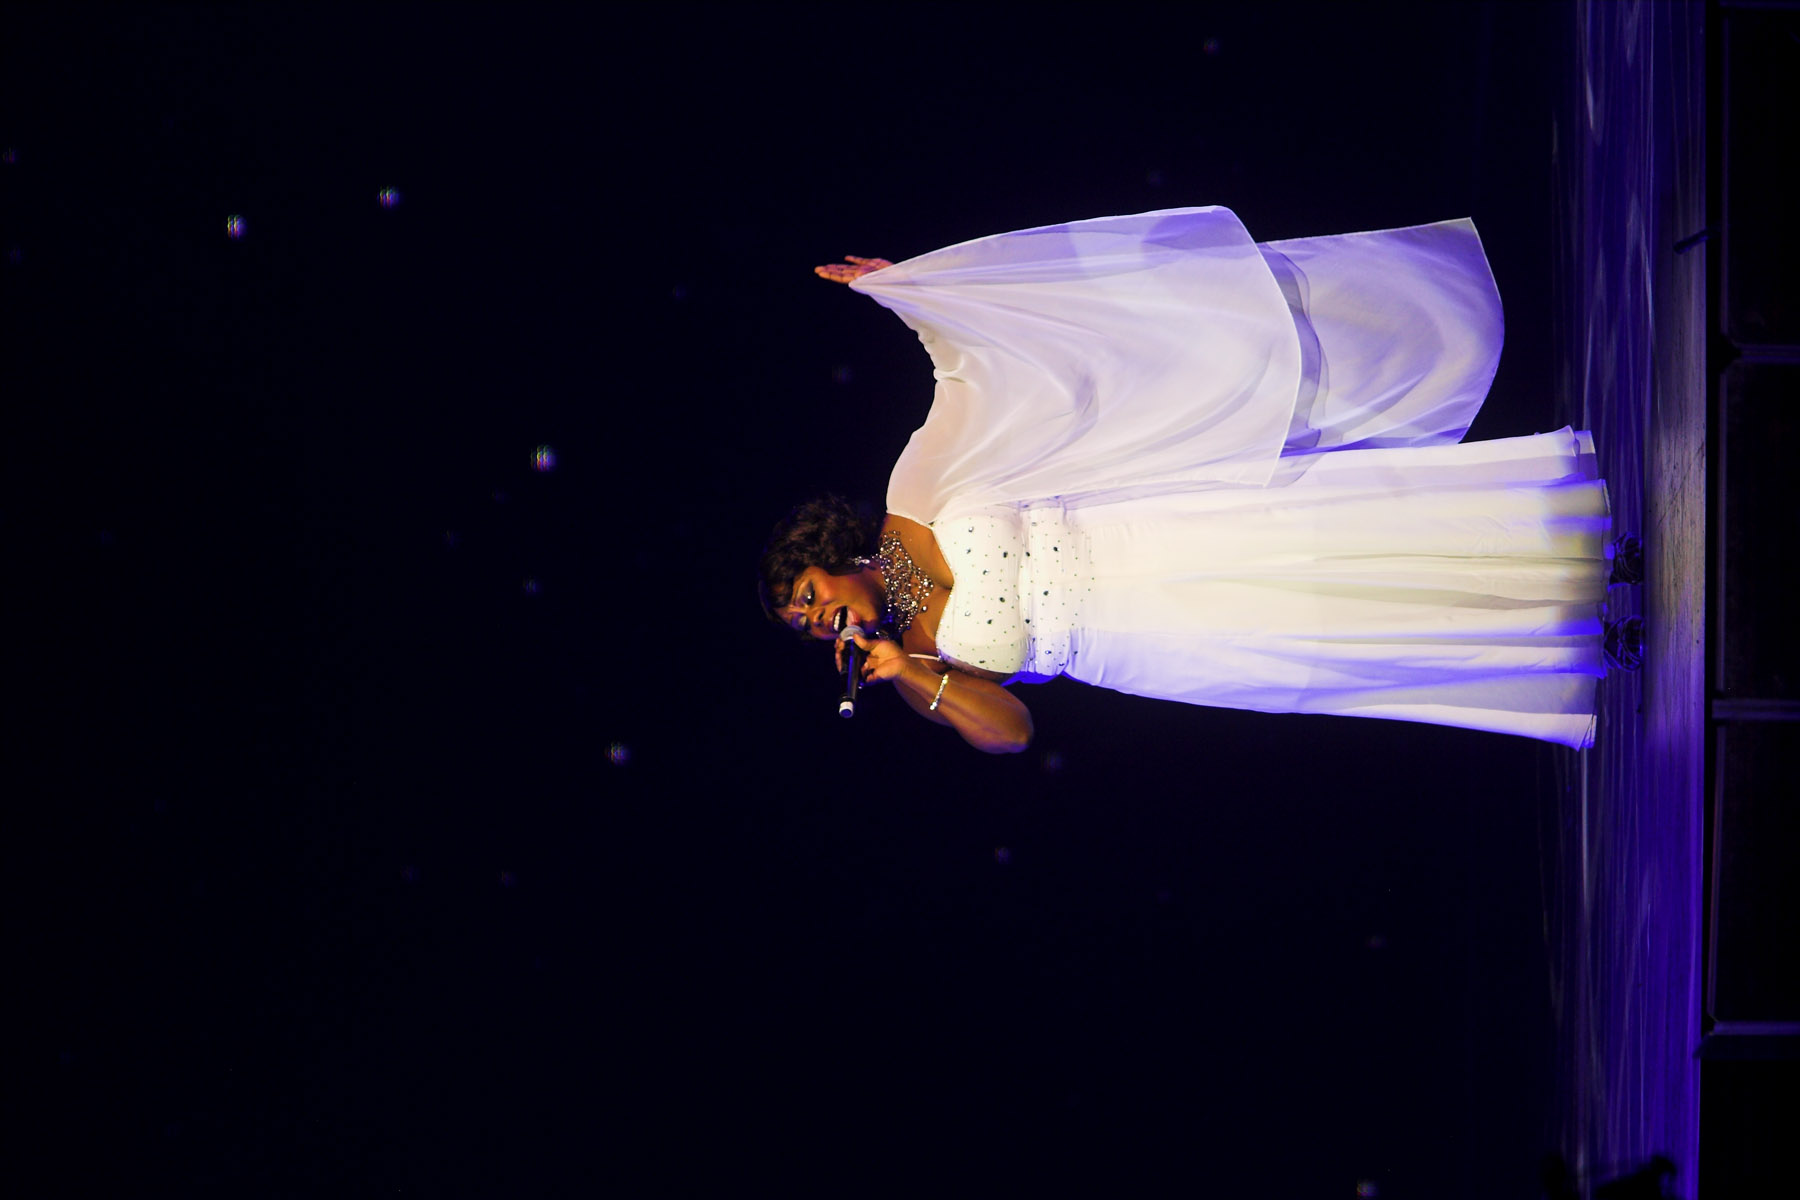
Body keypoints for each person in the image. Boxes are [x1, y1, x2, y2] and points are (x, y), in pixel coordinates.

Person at [759, 207, 1641, 754]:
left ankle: (1571, 552)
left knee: (1340, 545)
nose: (816, 618)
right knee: (1333, 626)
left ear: (831, 557)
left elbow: (972, 379)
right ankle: (1566, 632)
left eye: (807, 596)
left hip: (1154, 537)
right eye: (805, 626)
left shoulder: (914, 498)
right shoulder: (917, 664)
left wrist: (915, 294)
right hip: (1147, 640)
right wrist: (908, 675)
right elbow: (1012, 733)